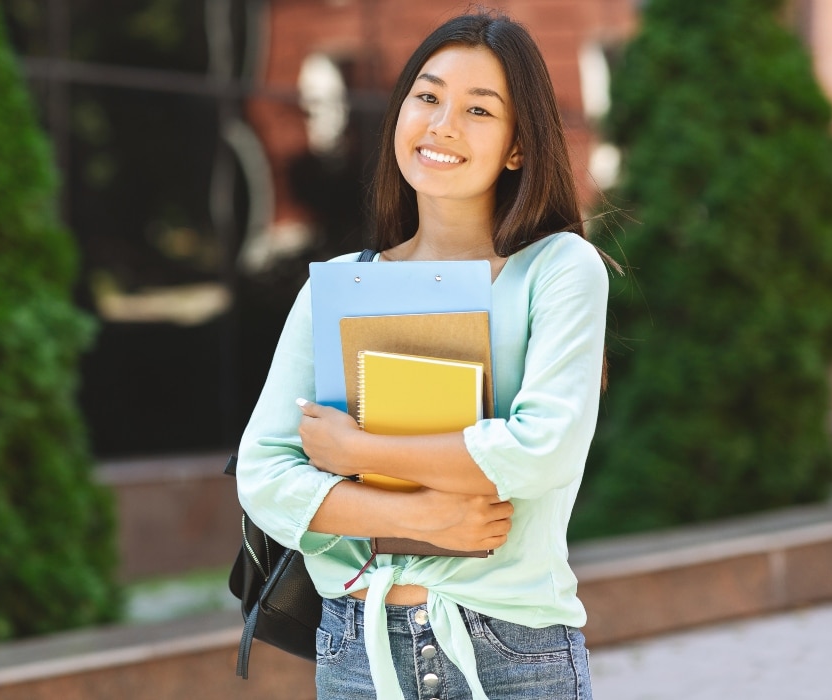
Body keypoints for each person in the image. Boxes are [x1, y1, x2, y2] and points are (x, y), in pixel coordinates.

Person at [236, 11, 611, 700]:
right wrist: (415, 517)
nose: (443, 125)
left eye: (477, 109)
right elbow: (262, 477)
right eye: (428, 97)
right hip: (357, 651)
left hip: (511, 651)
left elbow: (542, 451)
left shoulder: (558, 269)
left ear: (518, 147)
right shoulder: (338, 286)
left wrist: (356, 451)